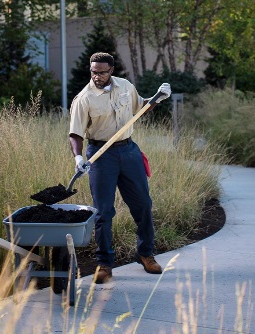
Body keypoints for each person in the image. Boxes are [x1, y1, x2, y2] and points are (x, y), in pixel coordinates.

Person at [69, 52, 171, 284]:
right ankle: (104, 263)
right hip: (101, 155)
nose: (97, 76)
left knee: (143, 204)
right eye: (93, 71)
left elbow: (141, 107)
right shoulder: (84, 99)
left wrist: (158, 97)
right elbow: (75, 133)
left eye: (102, 72)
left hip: (129, 152)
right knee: (103, 212)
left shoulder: (125, 86)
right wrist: (77, 158)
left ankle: (145, 254)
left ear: (111, 70)